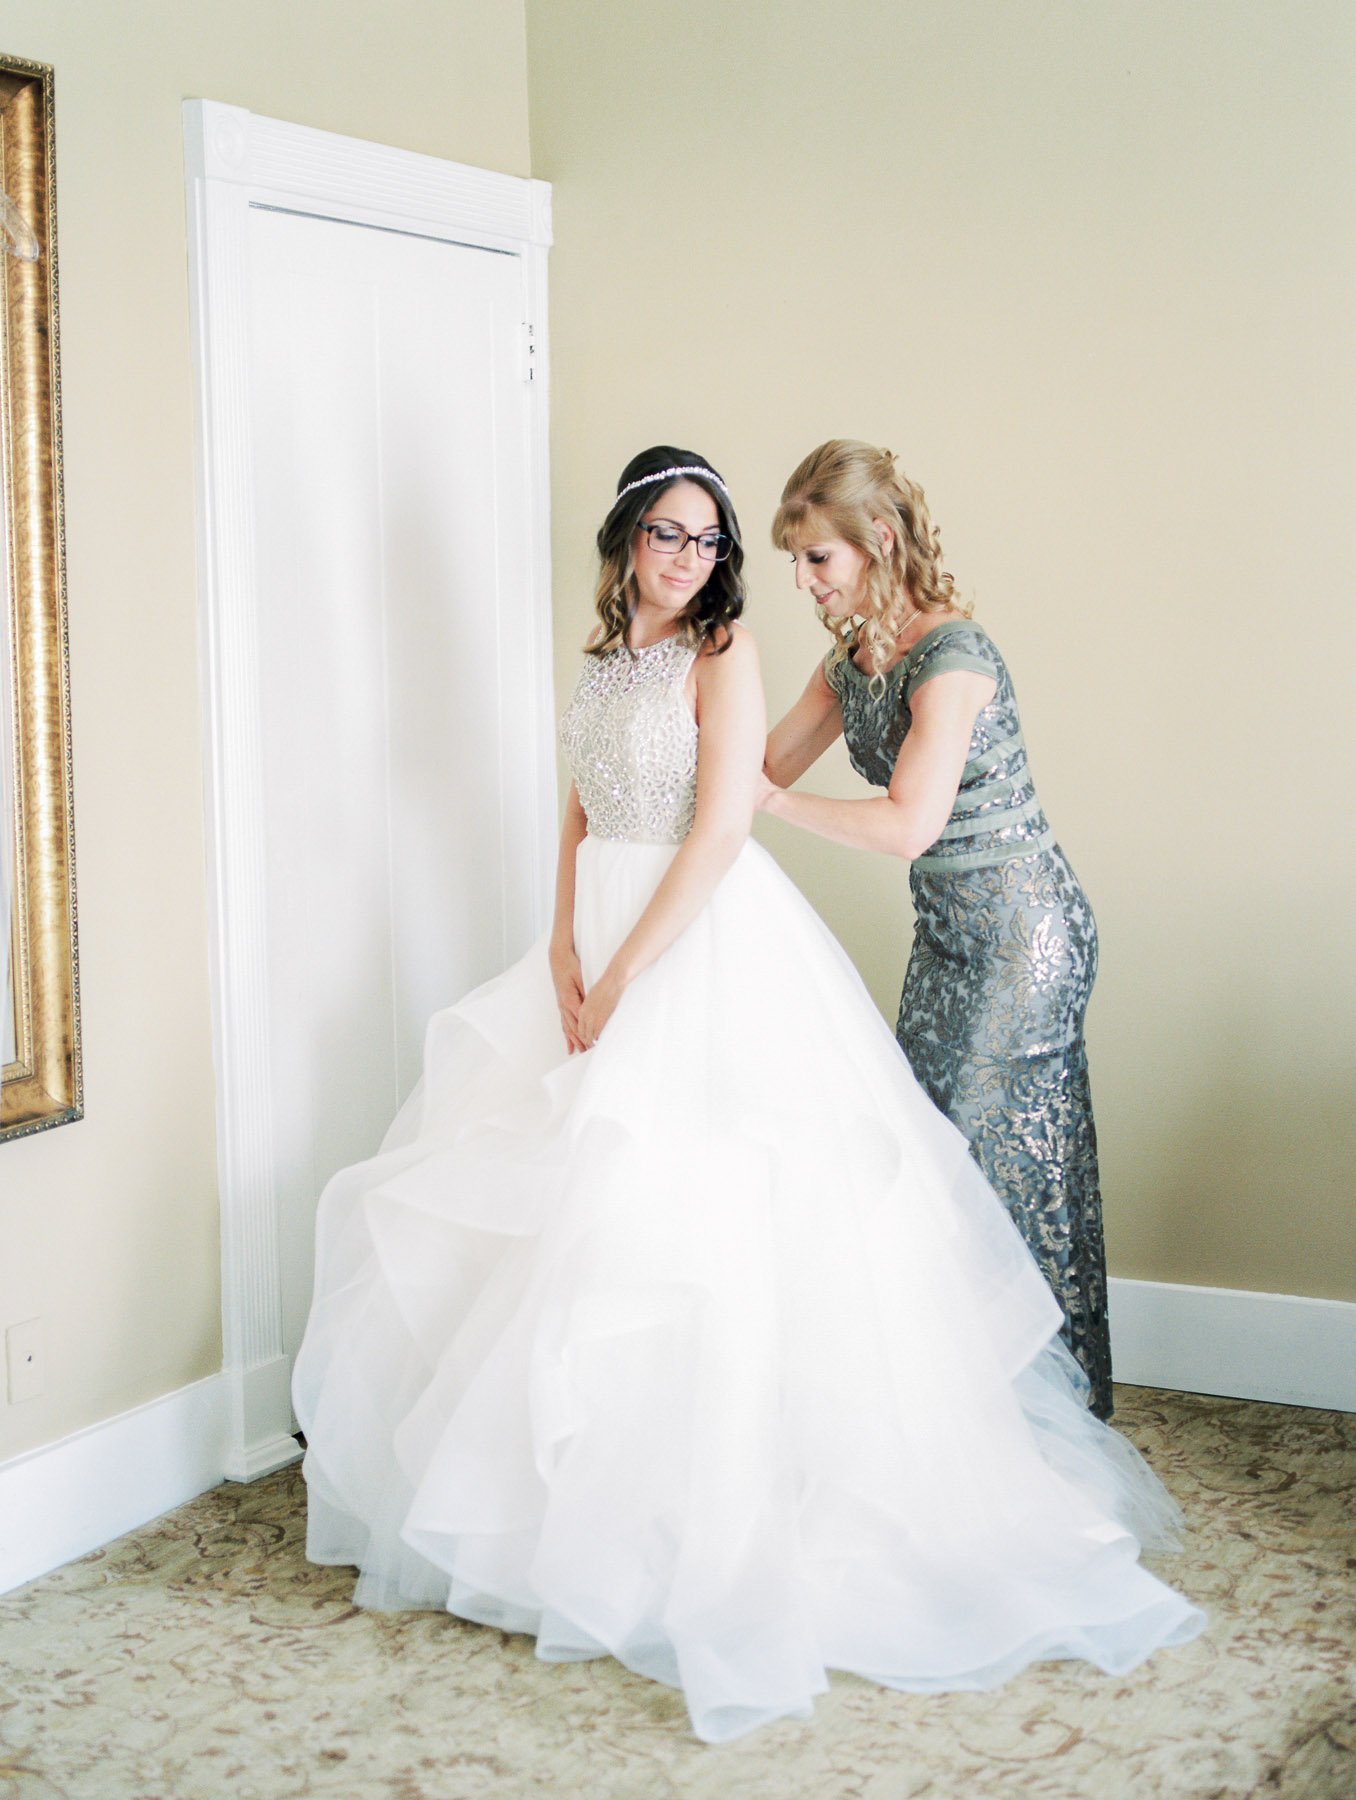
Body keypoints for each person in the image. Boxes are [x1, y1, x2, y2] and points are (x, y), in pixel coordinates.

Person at [291, 445, 1202, 1746]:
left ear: (874, 545)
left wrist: (696, 880)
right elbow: (627, 795)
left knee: (930, 1178)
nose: (713, 563)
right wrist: (568, 942)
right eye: (680, 536)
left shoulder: (894, 656)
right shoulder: (715, 660)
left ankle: (1018, 1416)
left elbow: (799, 814)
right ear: (627, 539)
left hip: (953, 932)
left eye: (730, 544)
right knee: (651, 1191)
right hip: (773, 928)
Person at [760, 440, 1114, 1419]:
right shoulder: (851, 662)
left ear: (878, 540)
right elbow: (761, 764)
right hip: (948, 938)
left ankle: (1040, 1414)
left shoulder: (951, 657)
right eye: (794, 560)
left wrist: (769, 808)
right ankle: (959, 1411)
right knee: (924, 1154)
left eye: (817, 558)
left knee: (999, 1167)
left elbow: (908, 824)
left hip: (1026, 940)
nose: (802, 581)